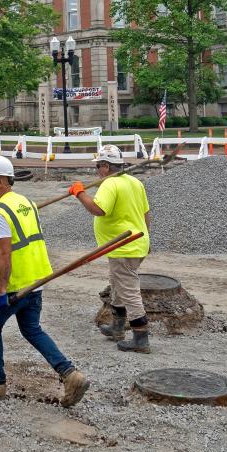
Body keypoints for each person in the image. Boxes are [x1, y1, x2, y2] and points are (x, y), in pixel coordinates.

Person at [0, 155, 89, 407]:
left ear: (1, 181)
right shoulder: (26, 203)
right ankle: (70, 374)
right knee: (31, 329)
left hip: (13, 286)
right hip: (36, 280)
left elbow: (4, 253)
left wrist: (1, 291)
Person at [68, 145, 152, 353]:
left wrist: (79, 193)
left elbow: (98, 209)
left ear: (106, 166)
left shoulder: (110, 184)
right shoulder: (134, 182)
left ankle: (141, 337)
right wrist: (146, 237)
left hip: (125, 246)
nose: (97, 170)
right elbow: (146, 213)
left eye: (98, 166)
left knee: (129, 290)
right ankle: (117, 327)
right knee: (117, 285)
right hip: (133, 243)